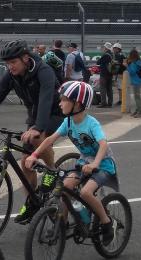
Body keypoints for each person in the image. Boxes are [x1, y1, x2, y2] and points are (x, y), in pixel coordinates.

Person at [0, 40, 63, 224]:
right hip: (34, 114)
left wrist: (38, 127)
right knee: (25, 163)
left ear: (26, 58)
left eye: (13, 62)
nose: (9, 66)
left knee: (38, 138)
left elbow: (46, 99)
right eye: (7, 63)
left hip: (55, 112)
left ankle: (52, 170)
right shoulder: (12, 75)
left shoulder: (43, 71)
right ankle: (32, 202)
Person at [25, 81, 117, 246]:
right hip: (84, 163)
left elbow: (103, 144)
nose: (60, 103)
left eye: (64, 99)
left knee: (86, 193)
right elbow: (50, 140)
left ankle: (106, 222)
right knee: (65, 187)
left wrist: (95, 163)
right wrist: (34, 155)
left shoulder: (91, 123)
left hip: (103, 164)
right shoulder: (68, 122)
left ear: (77, 103)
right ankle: (62, 223)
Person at [124, 49, 141, 117]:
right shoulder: (138, 61)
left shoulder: (134, 63)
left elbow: (132, 72)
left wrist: (127, 66)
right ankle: (137, 110)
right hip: (138, 80)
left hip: (136, 81)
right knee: (137, 96)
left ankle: (140, 112)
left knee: (137, 97)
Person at [96, 42, 114, 108]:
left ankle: (103, 103)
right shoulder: (112, 54)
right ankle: (110, 103)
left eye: (104, 47)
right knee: (109, 88)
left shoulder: (105, 55)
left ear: (106, 48)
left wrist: (99, 59)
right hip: (110, 74)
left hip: (104, 74)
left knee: (103, 88)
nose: (103, 48)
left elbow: (98, 62)